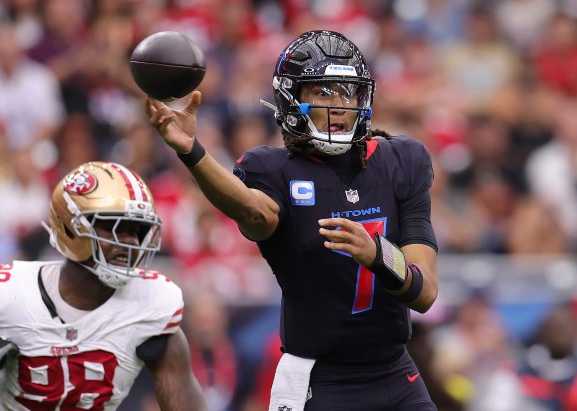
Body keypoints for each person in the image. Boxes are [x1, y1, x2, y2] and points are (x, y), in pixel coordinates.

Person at [146, 30, 439, 411]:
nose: (339, 105)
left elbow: (425, 292)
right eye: (323, 92)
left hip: (396, 373)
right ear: (291, 98)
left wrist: (377, 254)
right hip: (319, 378)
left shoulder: (402, 161)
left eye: (347, 92)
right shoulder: (273, 169)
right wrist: (193, 152)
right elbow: (252, 210)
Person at [0, 161, 208, 411]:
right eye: (114, 228)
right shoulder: (6, 295)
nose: (129, 243)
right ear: (70, 227)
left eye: (137, 230)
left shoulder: (152, 303)